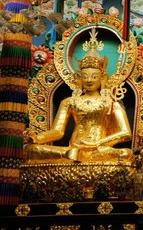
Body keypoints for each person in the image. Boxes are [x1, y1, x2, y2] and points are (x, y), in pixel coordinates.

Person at [24, 29, 133, 163]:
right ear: (79, 78)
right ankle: (70, 155)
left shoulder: (110, 103)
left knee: (125, 153)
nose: (89, 80)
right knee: (31, 149)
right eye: (85, 76)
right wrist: (36, 138)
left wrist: (98, 143)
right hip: (74, 148)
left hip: (100, 150)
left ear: (102, 78)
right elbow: (58, 132)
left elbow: (126, 133)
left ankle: (74, 156)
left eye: (94, 76)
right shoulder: (69, 102)